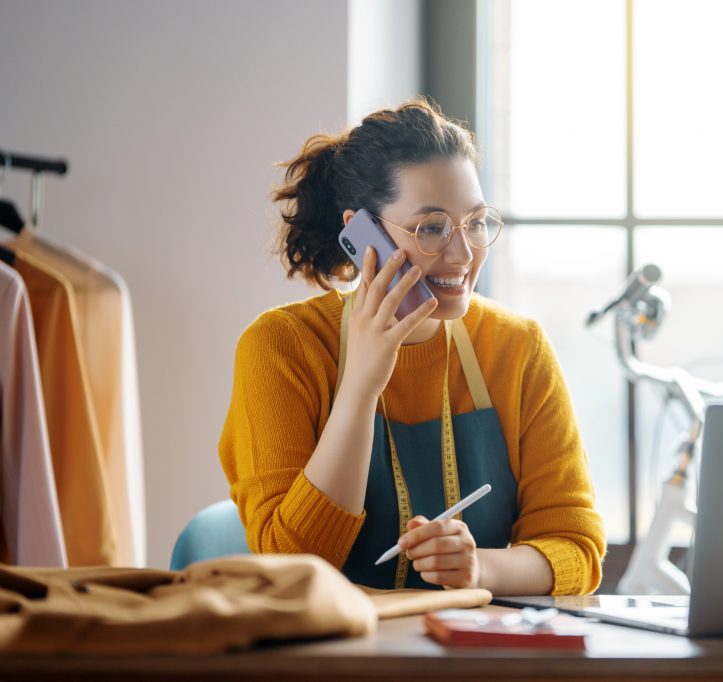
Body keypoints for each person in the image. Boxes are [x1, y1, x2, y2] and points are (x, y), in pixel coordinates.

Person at [218, 99, 605, 595]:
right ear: (362, 232)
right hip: (333, 663)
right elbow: (291, 567)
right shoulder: (282, 349)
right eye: (433, 228)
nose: (463, 254)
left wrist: (480, 569)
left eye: (476, 221)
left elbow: (577, 547)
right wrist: (360, 386)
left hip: (469, 661)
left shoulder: (517, 348)